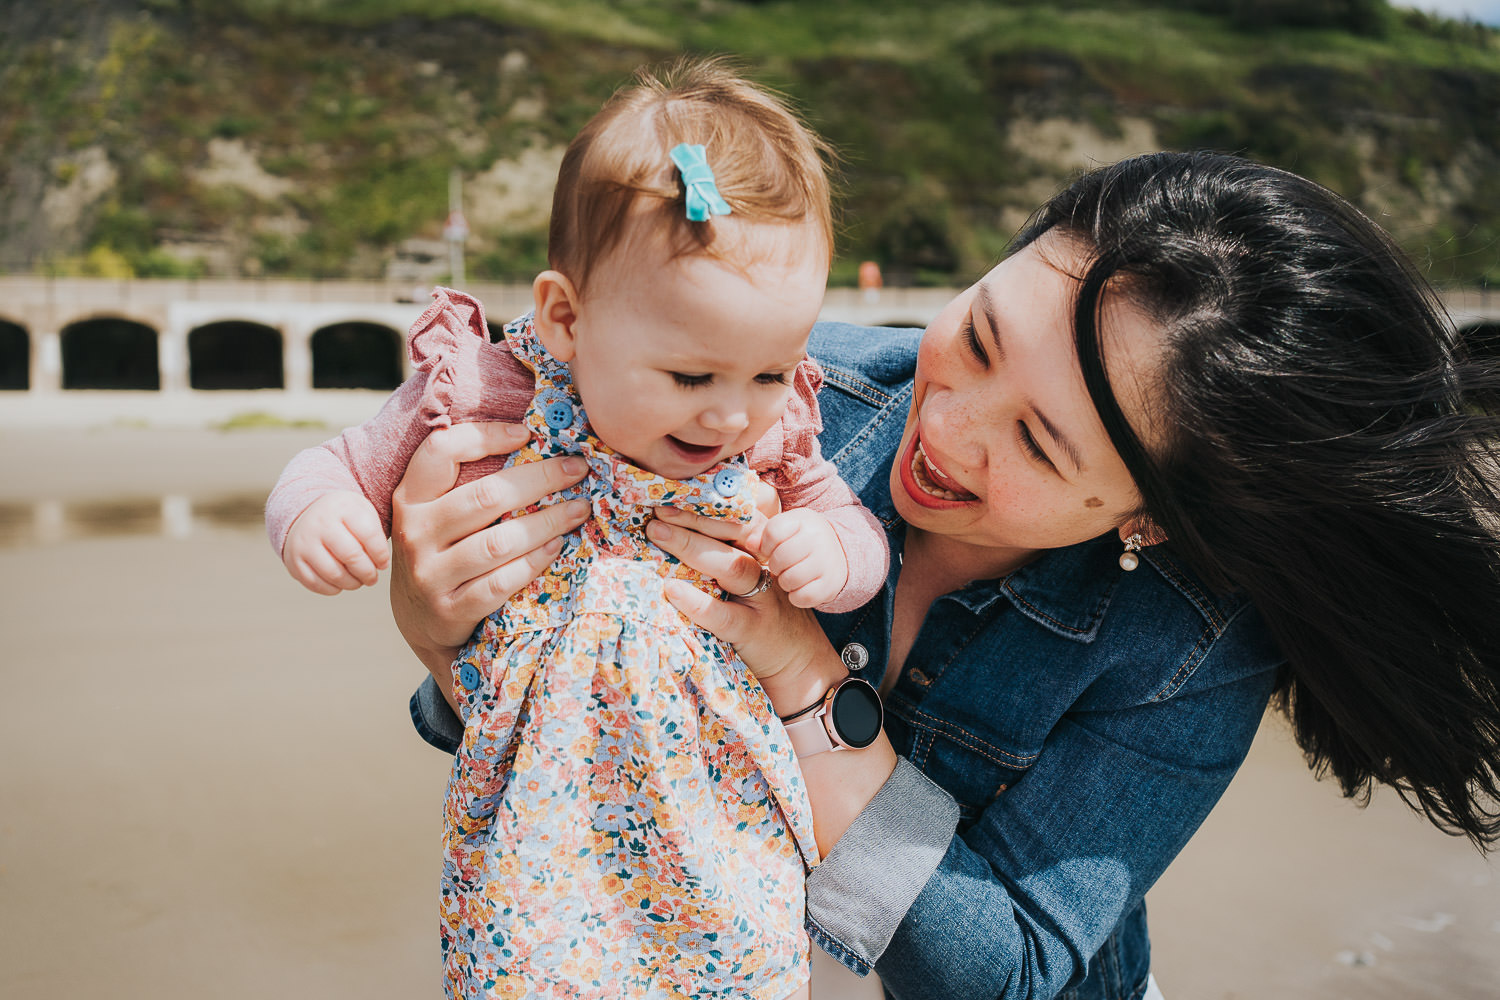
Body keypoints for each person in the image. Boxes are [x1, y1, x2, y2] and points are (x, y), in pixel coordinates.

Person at [389, 150, 1500, 1000]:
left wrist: (804, 678)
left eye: (1038, 443)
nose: (950, 428)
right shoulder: (769, 396)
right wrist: (446, 633)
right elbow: (559, 710)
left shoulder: (1192, 641)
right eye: (974, 334)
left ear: (1153, 518)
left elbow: (1009, 971)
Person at [265, 59, 890, 1000]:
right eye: (691, 377)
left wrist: (832, 555)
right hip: (540, 821)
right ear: (564, 316)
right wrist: (323, 514)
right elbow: (336, 464)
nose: (732, 414)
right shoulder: (480, 394)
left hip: (720, 810)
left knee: (746, 964)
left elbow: (854, 533)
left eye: (768, 372)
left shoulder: (777, 433)